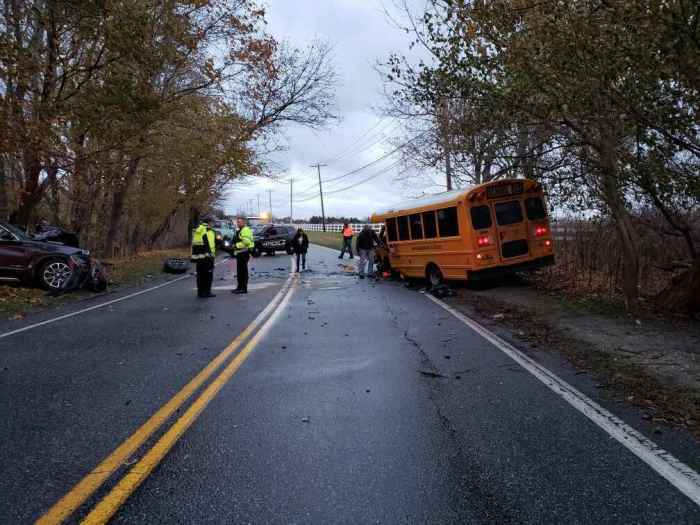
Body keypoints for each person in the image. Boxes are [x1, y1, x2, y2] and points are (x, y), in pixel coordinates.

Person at [191, 215, 216, 298]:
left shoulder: (198, 230)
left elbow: (194, 244)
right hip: (207, 257)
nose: (213, 224)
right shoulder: (206, 230)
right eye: (212, 222)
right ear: (209, 222)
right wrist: (210, 255)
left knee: (200, 275)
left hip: (198, 257)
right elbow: (207, 245)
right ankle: (207, 292)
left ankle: (200, 292)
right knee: (208, 276)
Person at [232, 216, 254, 294]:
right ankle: (239, 287)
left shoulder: (245, 230)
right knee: (240, 272)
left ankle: (243, 288)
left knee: (243, 272)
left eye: (239, 222)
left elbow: (246, 242)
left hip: (244, 253)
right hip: (240, 253)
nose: (238, 223)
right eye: (237, 222)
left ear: (244, 222)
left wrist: (236, 245)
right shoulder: (240, 230)